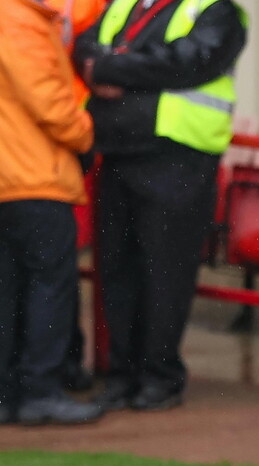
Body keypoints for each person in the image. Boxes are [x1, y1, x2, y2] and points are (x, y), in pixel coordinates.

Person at [74, 0, 247, 411]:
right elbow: (83, 45)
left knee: (164, 272)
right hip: (119, 151)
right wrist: (106, 65)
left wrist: (108, 68)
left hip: (178, 157)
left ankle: (160, 378)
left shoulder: (217, 11)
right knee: (117, 268)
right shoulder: (123, 5)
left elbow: (186, 62)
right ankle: (122, 376)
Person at [0, 0, 102, 426]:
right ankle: (40, 389)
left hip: (12, 176)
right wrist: (87, 134)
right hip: (33, 175)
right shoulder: (19, 21)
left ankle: (9, 392)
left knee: (9, 288)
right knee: (49, 284)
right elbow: (50, 103)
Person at [47, 0, 109, 393]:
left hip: (57, 139)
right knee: (47, 274)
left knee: (47, 272)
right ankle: (45, 377)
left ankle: (57, 368)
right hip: (54, 140)